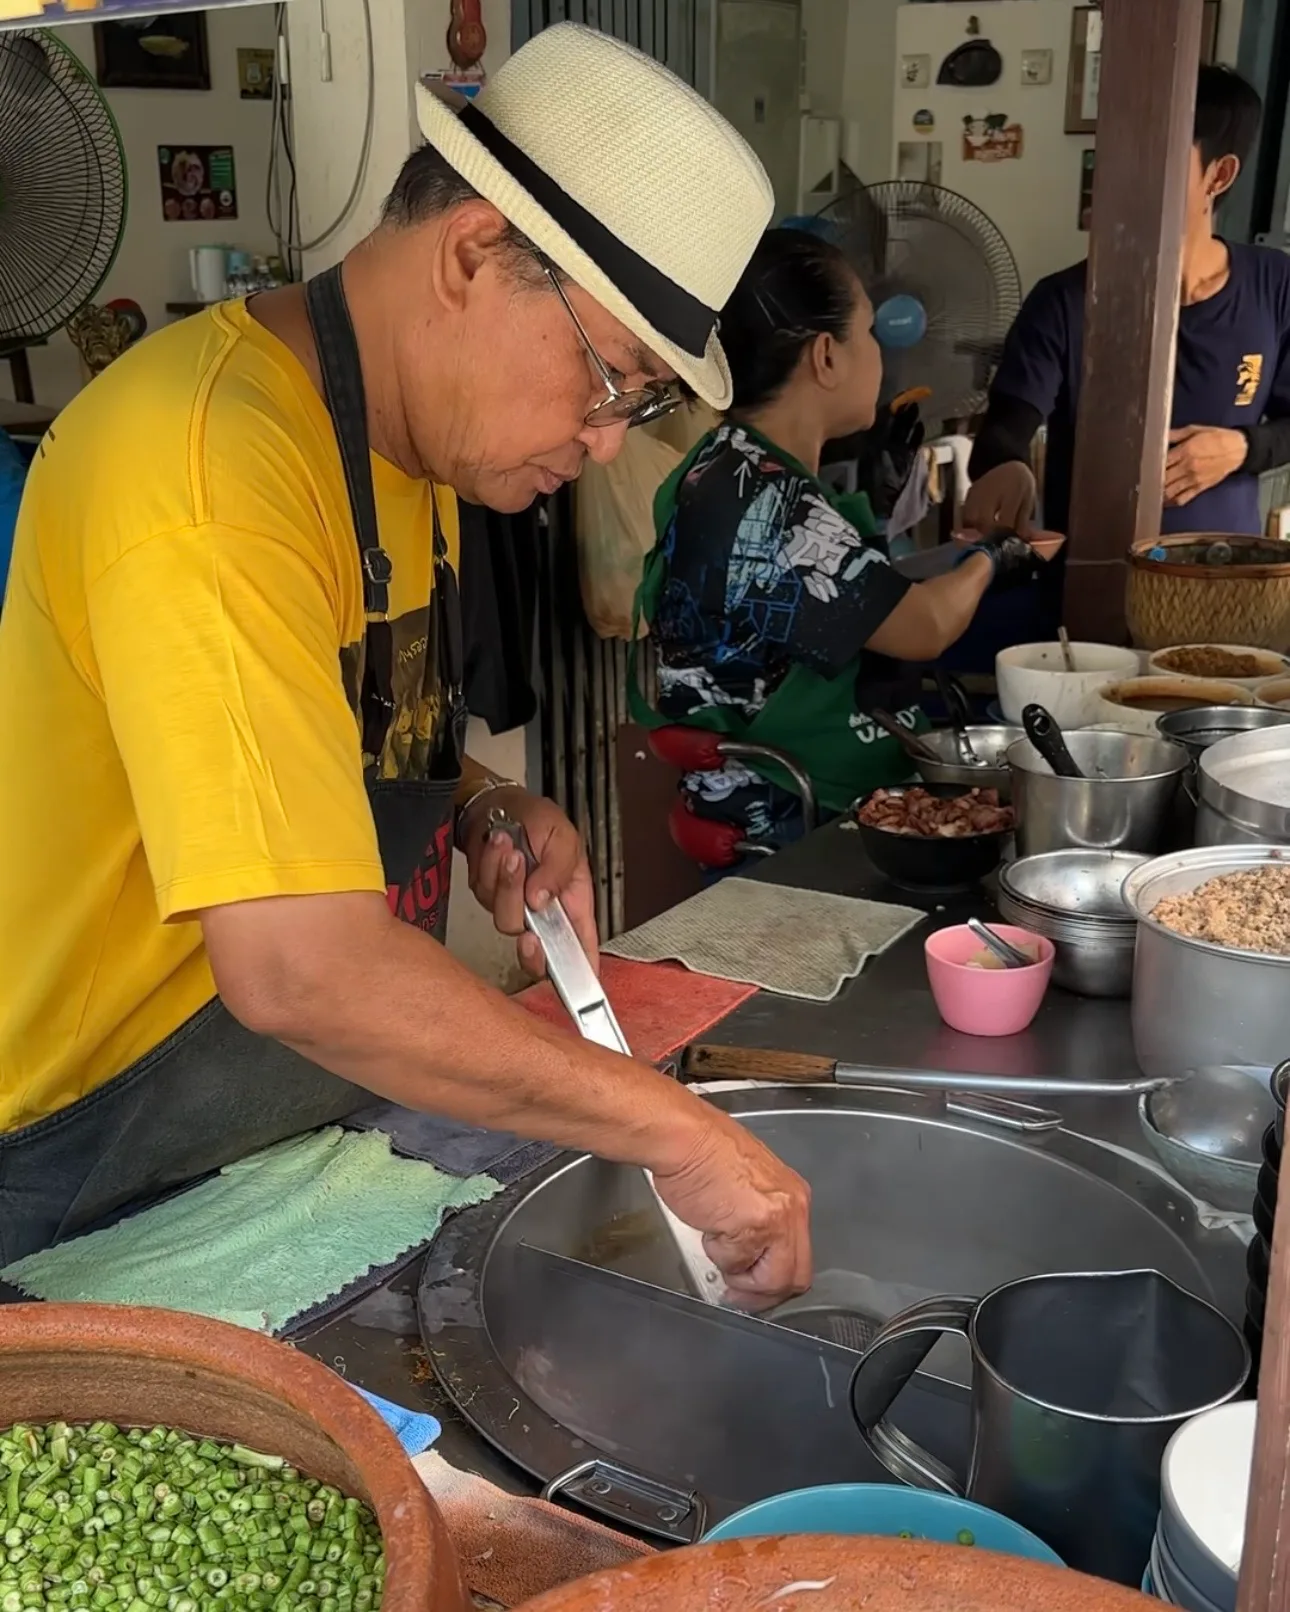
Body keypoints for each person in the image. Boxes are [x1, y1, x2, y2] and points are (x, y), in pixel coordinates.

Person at [0, 23, 812, 1295]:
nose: (607, 446)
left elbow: (313, 749)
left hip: (278, 1133)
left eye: (639, 406)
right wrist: (669, 1127)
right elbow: (300, 965)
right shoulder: (208, 465)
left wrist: (486, 799)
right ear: (476, 253)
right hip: (84, 1169)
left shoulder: (404, 444)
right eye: (612, 379)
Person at [634, 228, 1042, 852]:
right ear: (825, 356)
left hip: (773, 803)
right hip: (788, 833)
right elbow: (925, 624)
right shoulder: (768, 497)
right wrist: (997, 555)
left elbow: (831, 597)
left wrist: (872, 509)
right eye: (871, 331)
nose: (883, 353)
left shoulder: (725, 463)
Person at [965, 64, 1290, 542]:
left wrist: (1241, 448)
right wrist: (1009, 467)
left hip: (1223, 581)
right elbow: (1003, 432)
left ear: (1218, 175)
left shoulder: (1275, 284)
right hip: (1091, 584)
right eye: (1116, 152)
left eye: (1154, 157)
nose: (1122, 174)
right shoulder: (1063, 301)